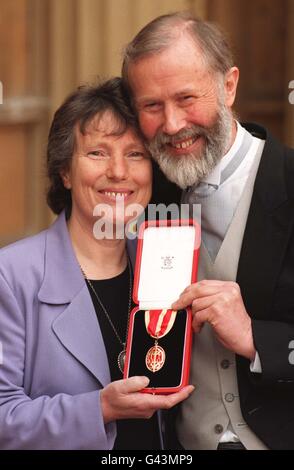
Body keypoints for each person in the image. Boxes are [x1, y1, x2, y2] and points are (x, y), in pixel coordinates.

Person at [122, 12, 294, 450]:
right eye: (152, 106)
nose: (174, 124)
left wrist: (259, 340)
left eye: (186, 98)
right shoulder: (136, 194)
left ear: (229, 86)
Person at [0, 77, 194, 450]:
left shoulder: (168, 266)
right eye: (97, 153)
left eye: (136, 154)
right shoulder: (11, 276)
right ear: (65, 172)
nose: (119, 172)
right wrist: (98, 409)